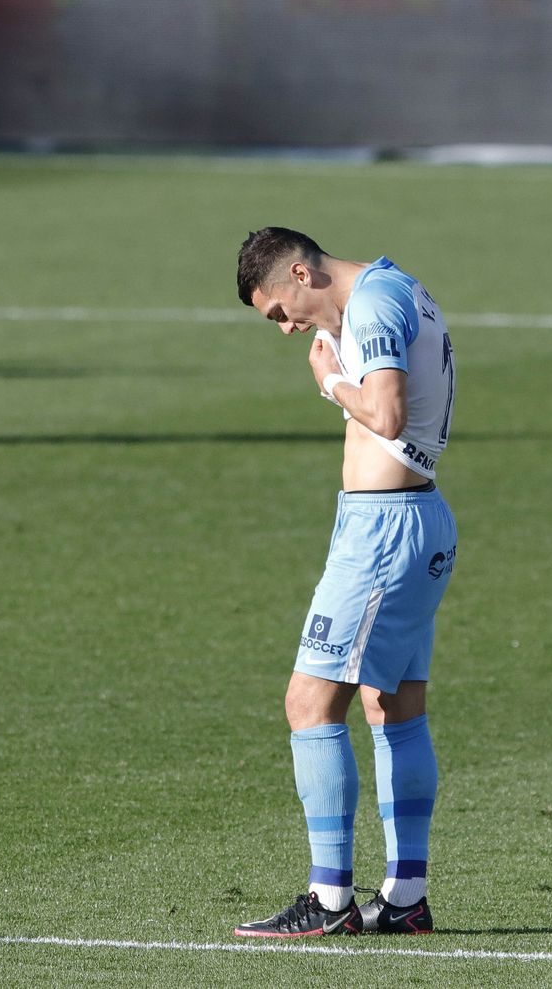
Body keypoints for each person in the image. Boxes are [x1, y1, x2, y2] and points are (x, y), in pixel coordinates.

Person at [231, 227, 457, 935]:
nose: (289, 327)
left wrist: (330, 382)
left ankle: (330, 899)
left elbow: (386, 414)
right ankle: (407, 896)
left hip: (383, 533)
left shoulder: (374, 304)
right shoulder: (399, 289)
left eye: (281, 311)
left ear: (301, 271)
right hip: (414, 520)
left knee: (308, 703)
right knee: (392, 705)